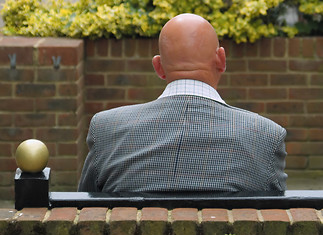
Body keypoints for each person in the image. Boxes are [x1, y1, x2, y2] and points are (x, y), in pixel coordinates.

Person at [78, 13, 287, 192]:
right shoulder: (266, 136)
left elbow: (83, 209)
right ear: (221, 60)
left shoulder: (107, 128)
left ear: (158, 67)